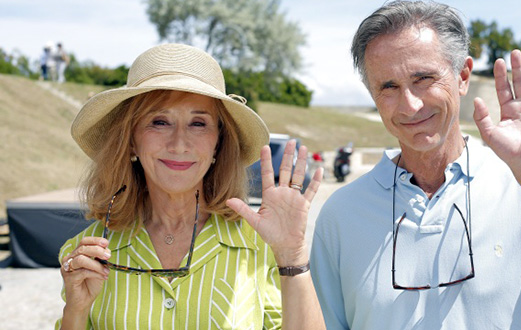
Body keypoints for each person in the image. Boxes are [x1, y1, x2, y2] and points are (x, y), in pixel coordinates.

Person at [310, 1, 521, 329]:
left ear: (463, 76)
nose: (410, 105)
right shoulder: (340, 216)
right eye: (388, 86)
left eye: (423, 78)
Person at [57, 43, 325, 329]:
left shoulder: (261, 245)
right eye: (159, 122)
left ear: (218, 143)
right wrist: (76, 309)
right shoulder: (85, 253)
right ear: (132, 139)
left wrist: (292, 256)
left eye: (198, 123)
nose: (179, 144)